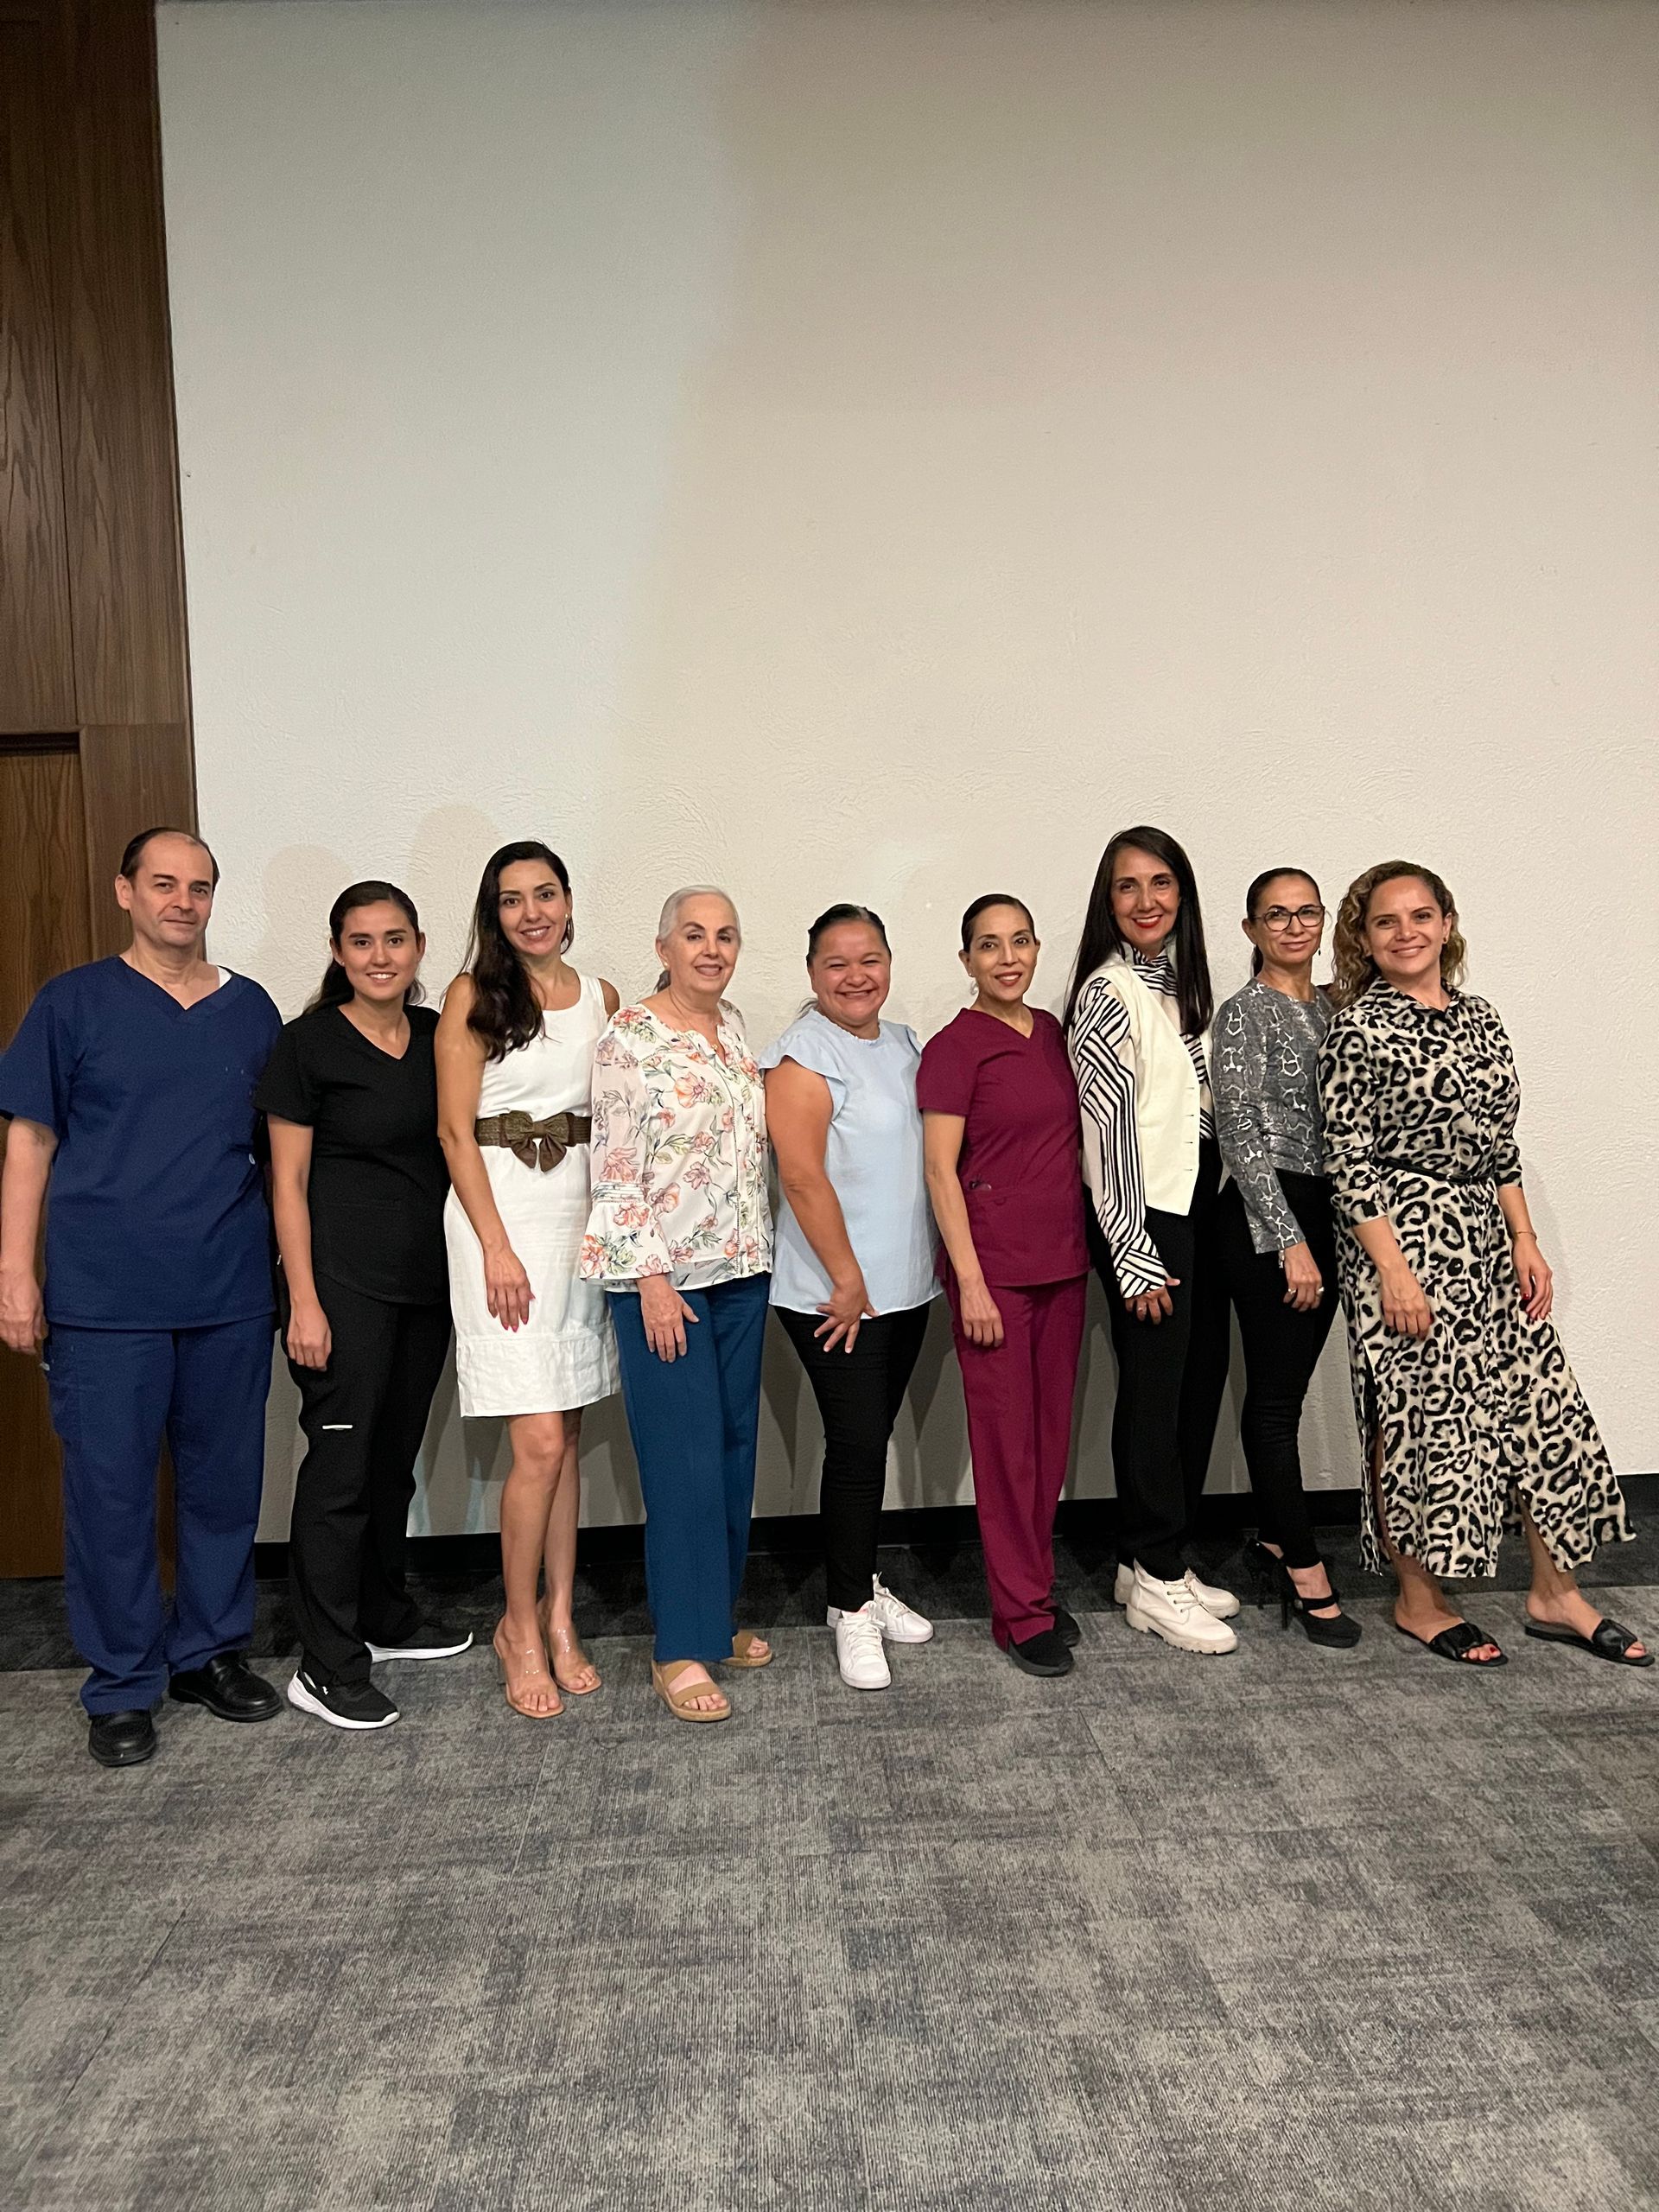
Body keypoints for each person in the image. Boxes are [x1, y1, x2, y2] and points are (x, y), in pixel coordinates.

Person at [0, 828, 283, 1766]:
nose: (183, 901)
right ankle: (122, 1683)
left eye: (199, 886)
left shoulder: (251, 1011)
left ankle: (208, 1650)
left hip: (228, 1290)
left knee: (221, 1487)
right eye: (163, 883)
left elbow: (281, 1160)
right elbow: (30, 1143)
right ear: (125, 890)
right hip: (103, 1297)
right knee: (110, 1494)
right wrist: (16, 1272)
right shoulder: (72, 1003)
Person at [1319, 861, 1645, 1669]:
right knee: (1421, 1422)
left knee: (1543, 1409)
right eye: (1387, 922)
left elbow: (1501, 1143)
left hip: (1487, 1241)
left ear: (1447, 923)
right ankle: (1418, 1599)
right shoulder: (1358, 1029)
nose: (1406, 933)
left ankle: (1554, 1592)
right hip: (1399, 1241)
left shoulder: (1482, 1019)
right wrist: (1393, 1272)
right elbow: (1347, 1162)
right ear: (1364, 938)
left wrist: (1525, 1238)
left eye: (1421, 916)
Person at [258, 880, 469, 1732]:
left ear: (419, 946)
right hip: (340, 1290)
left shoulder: (436, 1036)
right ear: (338, 951)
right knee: (341, 1472)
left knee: (391, 1462)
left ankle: (382, 1615)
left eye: (394, 939)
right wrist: (303, 1301)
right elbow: (288, 1183)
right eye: (361, 941)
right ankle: (326, 1664)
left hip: (426, 1287)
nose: (379, 956)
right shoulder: (305, 1045)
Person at [579, 887, 772, 1723]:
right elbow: (615, 1169)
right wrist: (651, 1281)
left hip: (742, 1272)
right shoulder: (630, 1040)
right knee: (682, 1463)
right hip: (668, 1285)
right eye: (694, 935)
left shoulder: (731, 1030)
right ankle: (679, 1648)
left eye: (725, 935)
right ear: (662, 946)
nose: (711, 948)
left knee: (731, 1451)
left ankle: (716, 1618)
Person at [437, 842, 620, 1719]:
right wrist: (497, 1247)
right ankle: (516, 1625)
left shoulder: (604, 998)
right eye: (512, 900)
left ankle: (558, 1616)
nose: (532, 911)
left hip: (577, 1224)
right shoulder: (474, 995)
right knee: (537, 1440)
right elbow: (452, 1132)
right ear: (493, 912)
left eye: (545, 893)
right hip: (498, 1222)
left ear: (569, 900)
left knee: (566, 1436)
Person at [1065, 826, 1239, 1656]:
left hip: (1192, 1207)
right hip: (1144, 1217)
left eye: (1161, 883)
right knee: (1154, 1395)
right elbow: (1107, 1136)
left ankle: (1146, 1560)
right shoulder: (1108, 992)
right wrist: (1134, 1251)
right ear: (1109, 902)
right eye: (1128, 887)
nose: (1146, 902)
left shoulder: (1179, 987)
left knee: (1187, 1386)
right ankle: (1157, 1581)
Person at [762, 906, 939, 1691]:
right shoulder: (802, 1055)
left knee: (873, 1440)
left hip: (906, 1287)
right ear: (811, 974)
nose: (855, 975)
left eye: (869, 959)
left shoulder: (904, 1044)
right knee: (860, 1448)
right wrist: (845, 1277)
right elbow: (800, 1175)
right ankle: (848, 1610)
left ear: (890, 964)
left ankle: (857, 1584)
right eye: (836, 963)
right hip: (834, 1294)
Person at [918, 895, 1089, 1678]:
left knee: (1050, 1441)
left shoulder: (1052, 1034)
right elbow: (937, 1172)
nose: (1007, 957)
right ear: (966, 962)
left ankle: (1040, 1590)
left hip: (1063, 1264)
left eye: (1020, 941)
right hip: (995, 1277)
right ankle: (1016, 1613)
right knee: (1006, 1446)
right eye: (989, 945)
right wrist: (974, 1284)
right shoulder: (956, 1048)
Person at [1211, 869, 1358, 1648]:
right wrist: (1289, 1240)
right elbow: (1239, 1130)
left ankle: (1275, 1533)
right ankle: (1304, 1570)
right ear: (1251, 929)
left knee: (1292, 1389)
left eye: (1307, 912)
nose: (1294, 926)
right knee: (1274, 1402)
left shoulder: (1339, 1006)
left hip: (1331, 1209)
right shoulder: (1244, 1012)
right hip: (1271, 1215)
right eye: (1277, 914)